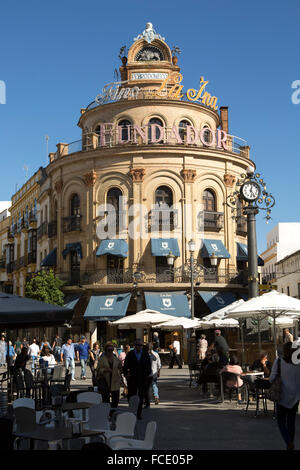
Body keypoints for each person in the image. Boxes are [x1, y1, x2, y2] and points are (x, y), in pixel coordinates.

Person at [270, 342, 300, 450]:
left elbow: (271, 378)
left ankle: (288, 442)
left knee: (281, 421)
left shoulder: (278, 362)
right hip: (295, 396)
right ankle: (290, 443)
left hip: (282, 394)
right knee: (291, 421)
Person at [123, 339, 152, 419]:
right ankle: (132, 410)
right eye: (138, 345)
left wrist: (146, 376)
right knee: (131, 395)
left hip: (142, 378)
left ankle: (138, 413)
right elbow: (126, 365)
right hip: (132, 378)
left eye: (141, 345)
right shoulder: (130, 354)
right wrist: (126, 375)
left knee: (141, 396)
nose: (139, 347)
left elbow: (148, 367)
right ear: (135, 346)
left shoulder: (145, 354)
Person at [96, 341, 123, 408]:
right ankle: (106, 413)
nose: (110, 352)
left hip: (115, 381)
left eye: (111, 350)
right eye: (108, 350)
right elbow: (97, 370)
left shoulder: (116, 359)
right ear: (105, 350)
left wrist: (119, 372)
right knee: (105, 400)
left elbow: (120, 368)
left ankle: (113, 413)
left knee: (115, 399)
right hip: (105, 381)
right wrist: (105, 370)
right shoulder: (102, 359)